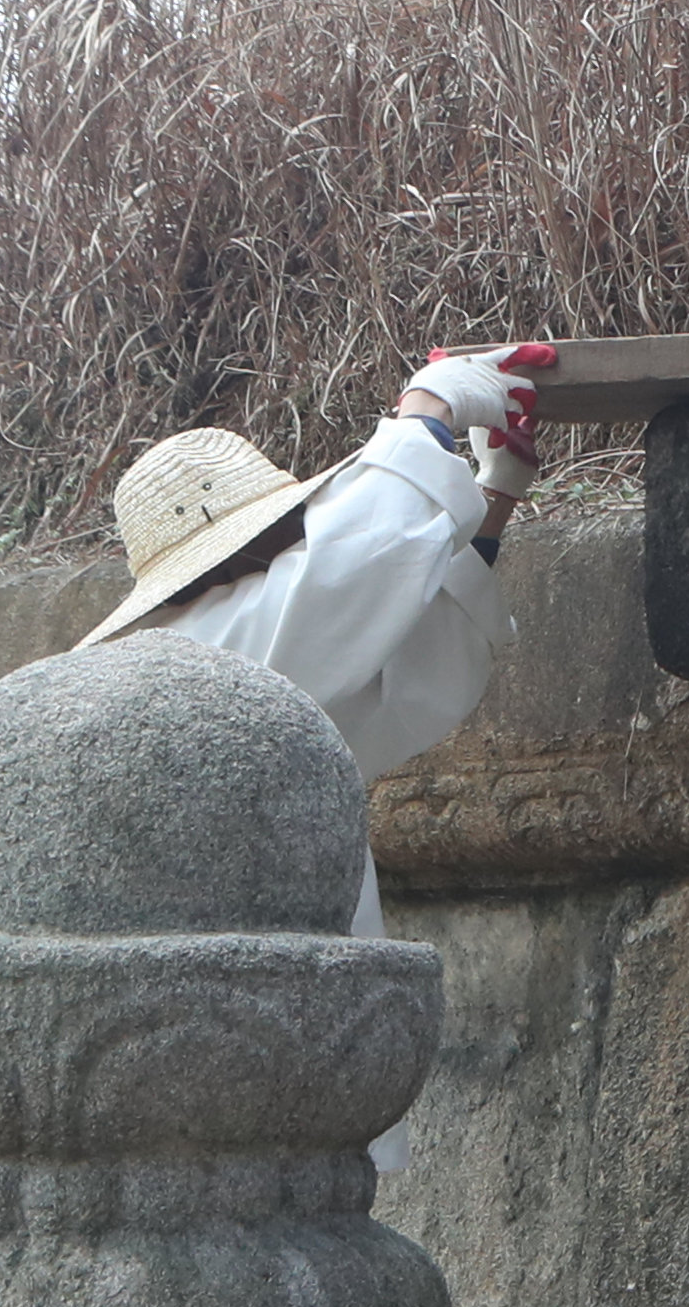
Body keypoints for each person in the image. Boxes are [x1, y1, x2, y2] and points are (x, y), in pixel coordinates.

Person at [83, 339, 563, 901]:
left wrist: (496, 492)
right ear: (236, 559)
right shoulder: (199, 648)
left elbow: (398, 664)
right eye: (290, 524)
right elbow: (352, 563)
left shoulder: (256, 657)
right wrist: (427, 409)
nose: (304, 531)